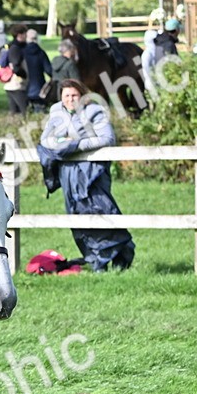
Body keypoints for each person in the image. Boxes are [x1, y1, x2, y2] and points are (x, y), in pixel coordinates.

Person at [38, 79, 135, 271]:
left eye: (74, 95)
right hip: (67, 172)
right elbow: (45, 140)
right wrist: (63, 143)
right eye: (66, 95)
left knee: (100, 209)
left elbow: (107, 138)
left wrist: (76, 145)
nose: (70, 99)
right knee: (76, 213)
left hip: (92, 172)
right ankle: (94, 259)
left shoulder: (94, 111)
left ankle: (119, 254)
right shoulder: (56, 112)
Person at [0, 23, 28, 115]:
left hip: (10, 84)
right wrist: (25, 75)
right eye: (25, 33)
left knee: (14, 112)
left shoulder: (11, 46)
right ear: (20, 35)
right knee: (24, 111)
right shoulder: (16, 48)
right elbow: (15, 66)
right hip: (16, 84)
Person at [23, 28, 52, 113]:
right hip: (39, 87)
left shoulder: (22, 52)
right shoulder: (41, 52)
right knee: (40, 112)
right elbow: (49, 70)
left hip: (24, 87)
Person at [49, 40, 80, 104]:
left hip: (55, 93)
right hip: (68, 95)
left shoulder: (54, 60)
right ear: (69, 50)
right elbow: (76, 82)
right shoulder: (70, 64)